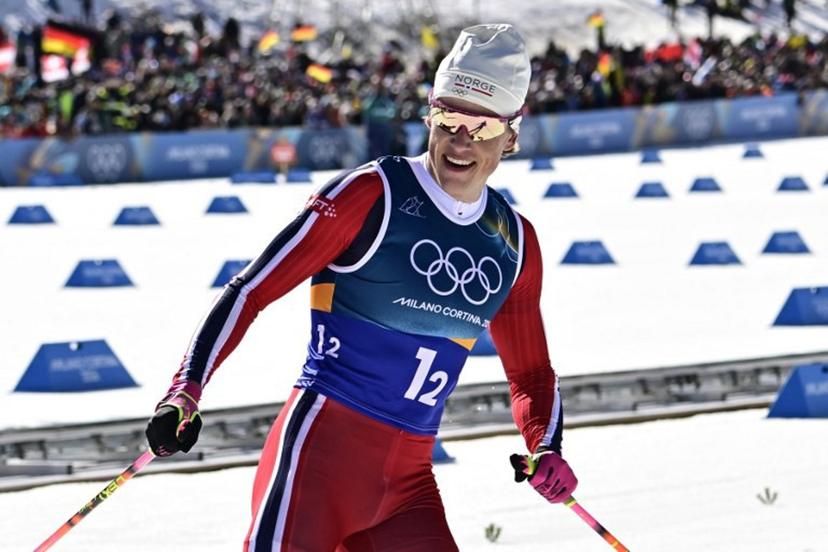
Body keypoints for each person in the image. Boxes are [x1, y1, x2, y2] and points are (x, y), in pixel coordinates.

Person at [146, 23, 578, 551]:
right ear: (429, 117)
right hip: (318, 457)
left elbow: (531, 373)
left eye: (481, 127)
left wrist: (545, 446)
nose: (460, 140)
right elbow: (250, 289)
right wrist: (185, 390)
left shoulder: (514, 243)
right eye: (448, 118)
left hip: (408, 484)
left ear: (510, 136)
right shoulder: (372, 194)